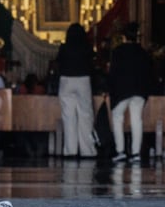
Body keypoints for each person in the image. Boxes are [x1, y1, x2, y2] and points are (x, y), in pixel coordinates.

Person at [107, 22, 154, 163]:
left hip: (122, 90)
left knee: (117, 117)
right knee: (136, 120)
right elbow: (148, 73)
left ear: (123, 37)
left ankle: (120, 151)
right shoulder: (143, 52)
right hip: (139, 90)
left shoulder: (117, 52)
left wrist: (109, 89)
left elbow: (113, 73)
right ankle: (135, 153)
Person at [56, 22, 97, 158]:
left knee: (68, 117)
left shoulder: (64, 48)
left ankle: (70, 151)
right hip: (83, 79)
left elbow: (58, 64)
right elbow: (93, 65)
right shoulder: (86, 48)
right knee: (85, 115)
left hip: (66, 80)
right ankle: (87, 151)